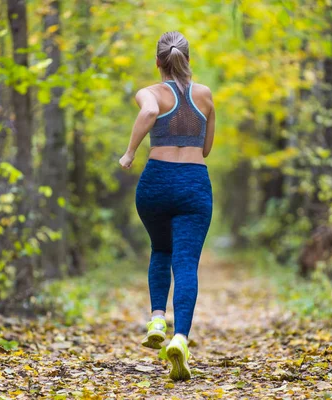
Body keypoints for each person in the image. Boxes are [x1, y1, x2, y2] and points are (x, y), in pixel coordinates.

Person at [119, 31, 215, 381]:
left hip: (156, 182)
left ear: (158, 61)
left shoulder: (150, 93)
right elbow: (206, 149)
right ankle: (180, 339)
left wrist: (130, 152)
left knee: (160, 250)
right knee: (186, 262)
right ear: (187, 59)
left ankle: (157, 317)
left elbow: (148, 111)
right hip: (193, 183)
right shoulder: (204, 96)